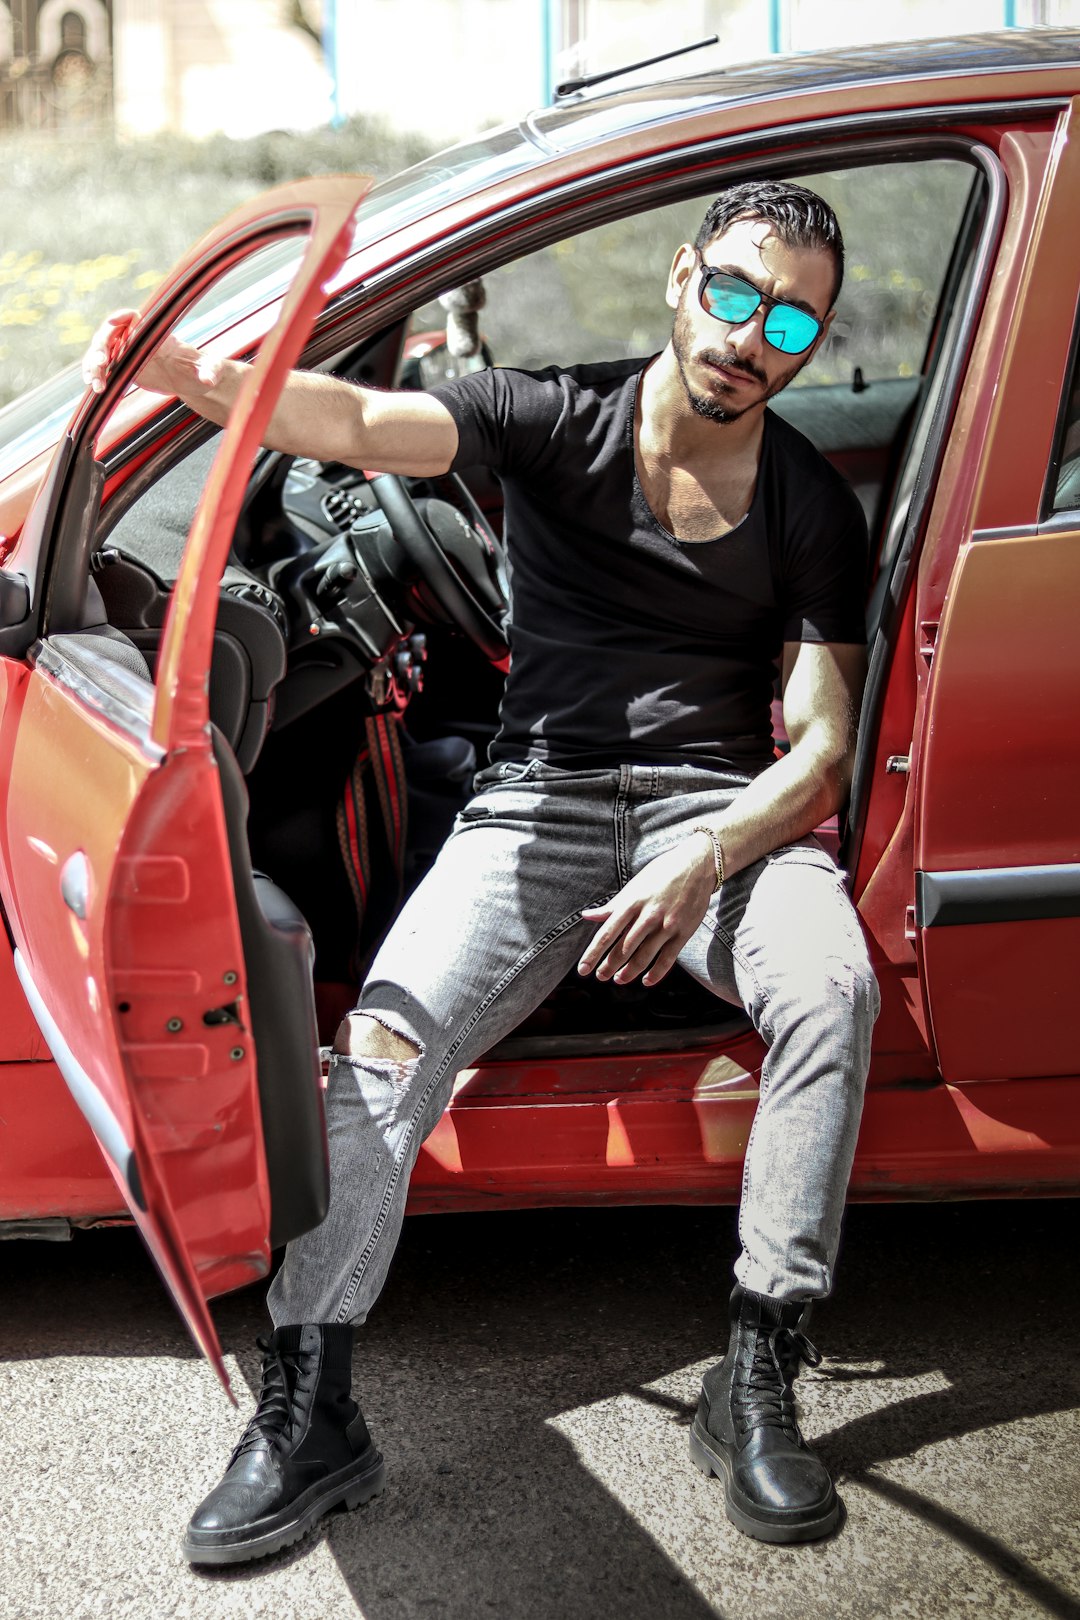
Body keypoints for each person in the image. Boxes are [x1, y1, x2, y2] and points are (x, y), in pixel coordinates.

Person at [84, 179, 880, 1562]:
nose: (752, 338)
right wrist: (190, 380)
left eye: (793, 323)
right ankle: (312, 1406)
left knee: (831, 990)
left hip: (718, 813)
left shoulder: (809, 502)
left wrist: (703, 861)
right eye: (736, 294)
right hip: (537, 810)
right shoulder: (555, 417)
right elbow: (353, 425)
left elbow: (819, 751)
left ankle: (757, 1365)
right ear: (685, 278)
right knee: (384, 1040)